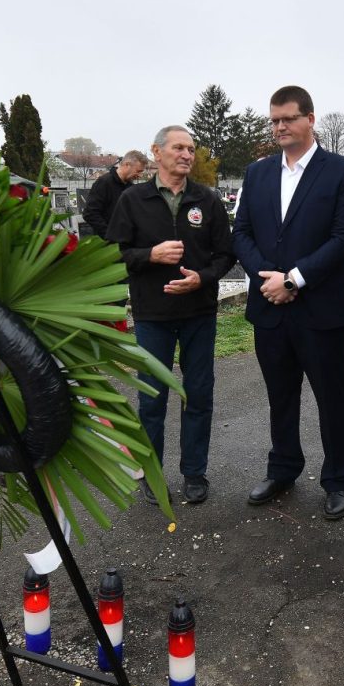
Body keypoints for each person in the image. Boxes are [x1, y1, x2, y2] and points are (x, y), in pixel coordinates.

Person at [232, 85, 344, 519]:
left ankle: (338, 479)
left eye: (288, 118)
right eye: (274, 120)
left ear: (310, 119)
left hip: (320, 310)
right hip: (269, 308)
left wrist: (294, 279)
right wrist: (266, 278)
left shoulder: (343, 172)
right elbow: (242, 232)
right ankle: (283, 468)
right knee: (280, 397)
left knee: (332, 399)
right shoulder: (257, 173)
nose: (280, 127)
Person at [106, 126, 234, 505]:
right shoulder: (133, 199)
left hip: (199, 313)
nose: (187, 155)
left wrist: (202, 278)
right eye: (179, 147)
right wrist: (150, 255)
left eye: (191, 149)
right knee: (152, 399)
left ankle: (194, 472)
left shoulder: (206, 200)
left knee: (198, 395)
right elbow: (114, 253)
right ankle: (152, 472)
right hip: (153, 316)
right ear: (157, 152)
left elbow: (226, 254)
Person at [82, 150, 149, 240]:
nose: (140, 175)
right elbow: (90, 214)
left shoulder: (131, 187)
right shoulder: (104, 183)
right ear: (127, 165)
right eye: (138, 171)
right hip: (107, 244)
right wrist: (110, 235)